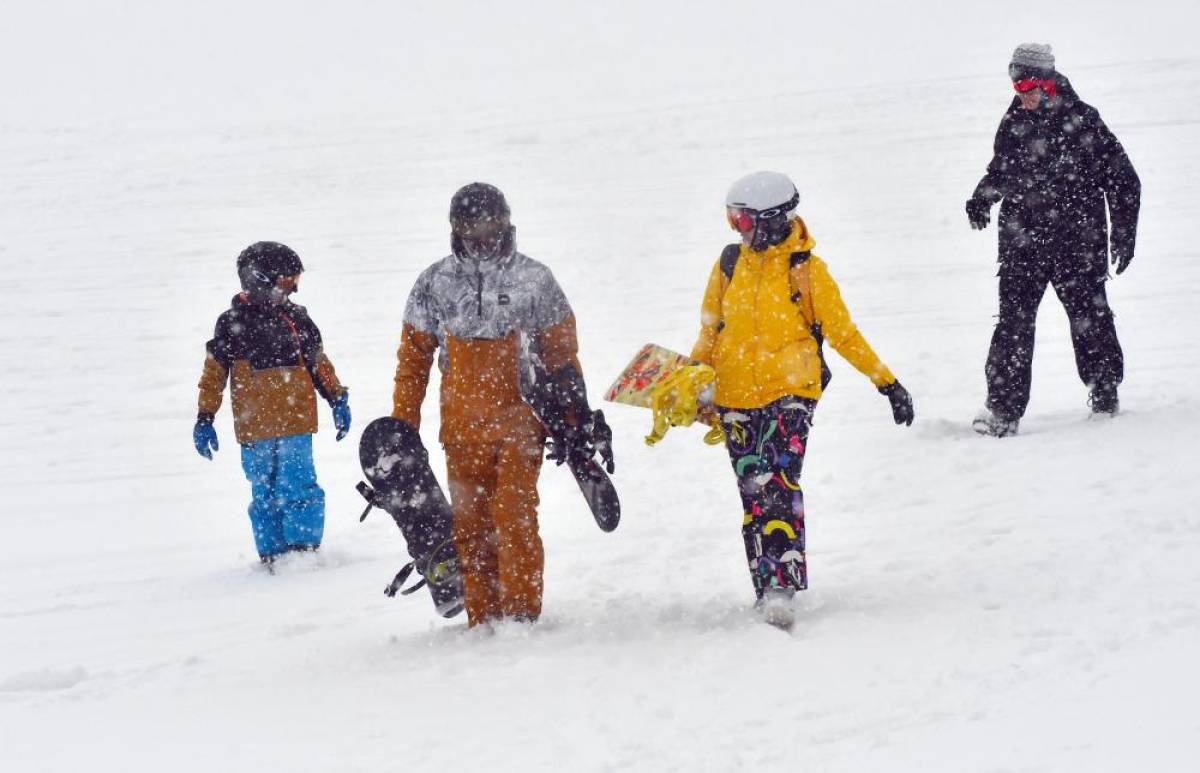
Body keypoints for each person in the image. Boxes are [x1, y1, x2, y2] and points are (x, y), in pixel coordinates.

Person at [689, 171, 913, 628]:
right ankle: (762, 580)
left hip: (790, 391)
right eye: (733, 219)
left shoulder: (807, 271)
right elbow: (710, 329)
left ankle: (781, 585)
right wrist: (692, 383)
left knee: (778, 483)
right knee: (751, 490)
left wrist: (886, 383)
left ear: (771, 220)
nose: (737, 229)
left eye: (743, 220)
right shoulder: (729, 263)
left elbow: (843, 333)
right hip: (735, 395)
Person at [391, 182, 610, 628]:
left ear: (506, 223)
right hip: (460, 425)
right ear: (454, 228)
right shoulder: (434, 282)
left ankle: (521, 616)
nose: (481, 235)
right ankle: (484, 619)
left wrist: (574, 418)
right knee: (469, 525)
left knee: (513, 515)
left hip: (520, 421)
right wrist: (403, 425)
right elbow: (413, 360)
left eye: (490, 224)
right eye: (470, 226)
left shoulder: (535, 279)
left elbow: (561, 354)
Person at [966, 43, 1140, 437]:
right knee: (1013, 325)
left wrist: (1125, 232)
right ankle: (1002, 410)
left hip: (1077, 242)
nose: (1021, 93)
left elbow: (1124, 180)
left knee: (1089, 317)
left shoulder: (1082, 121)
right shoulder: (1013, 122)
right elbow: (1001, 171)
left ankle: (1104, 391)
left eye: (1027, 84)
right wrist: (982, 197)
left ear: (1047, 82)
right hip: (1022, 242)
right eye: (1015, 86)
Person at [193, 241, 351, 567]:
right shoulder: (231, 324)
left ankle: (304, 552)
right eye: (286, 281)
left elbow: (319, 363)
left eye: (296, 281)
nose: (292, 289)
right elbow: (214, 374)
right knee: (263, 491)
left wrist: (338, 398)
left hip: (296, 423)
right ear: (260, 281)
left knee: (299, 486)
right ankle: (272, 555)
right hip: (256, 427)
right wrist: (205, 416)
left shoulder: (297, 319)